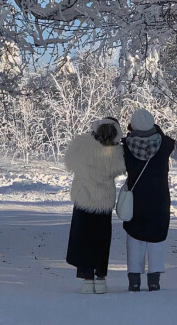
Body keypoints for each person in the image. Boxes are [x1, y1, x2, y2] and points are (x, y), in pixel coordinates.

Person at [65, 116, 125, 294]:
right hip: (104, 202)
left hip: (83, 200)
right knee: (101, 241)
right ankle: (100, 279)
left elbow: (69, 162)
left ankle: (86, 279)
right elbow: (122, 168)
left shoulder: (81, 146)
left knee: (83, 240)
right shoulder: (117, 155)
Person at [122, 109, 175, 292]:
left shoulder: (126, 147)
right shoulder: (165, 145)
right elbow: (164, 137)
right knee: (156, 240)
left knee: (135, 238)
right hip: (159, 200)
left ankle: (134, 280)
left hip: (136, 200)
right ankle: (154, 281)